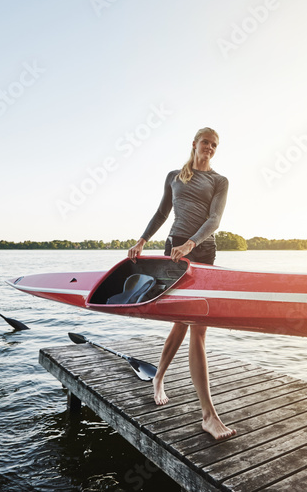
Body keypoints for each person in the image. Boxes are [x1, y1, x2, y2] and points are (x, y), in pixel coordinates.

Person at [127, 127, 235, 440]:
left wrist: (192, 243)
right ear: (194, 144)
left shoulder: (219, 181)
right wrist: (142, 240)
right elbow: (162, 212)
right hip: (173, 253)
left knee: (196, 326)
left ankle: (207, 415)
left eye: (215, 145)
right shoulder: (175, 176)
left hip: (202, 251)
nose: (210, 148)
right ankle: (160, 379)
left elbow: (215, 220)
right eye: (206, 142)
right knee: (181, 321)